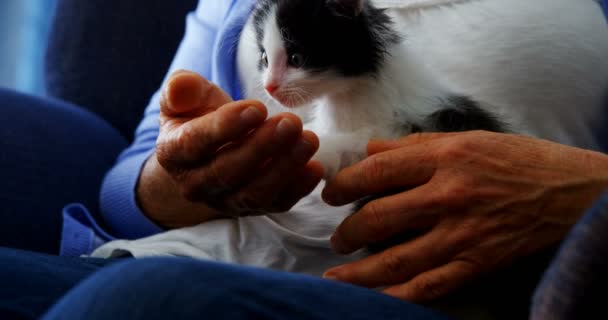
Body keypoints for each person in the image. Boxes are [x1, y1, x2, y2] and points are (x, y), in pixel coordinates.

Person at [1, 0, 608, 319]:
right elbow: (132, 170)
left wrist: (584, 192)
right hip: (208, 249)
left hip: (442, 288)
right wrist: (179, 179)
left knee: (149, 301)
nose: (270, 83)